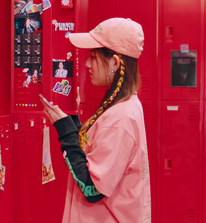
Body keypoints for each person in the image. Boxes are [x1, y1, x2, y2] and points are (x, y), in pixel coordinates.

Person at [40, 18, 151, 223]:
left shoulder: (120, 118)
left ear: (115, 63)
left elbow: (92, 189)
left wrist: (65, 132)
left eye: (93, 56)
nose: (88, 64)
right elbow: (97, 154)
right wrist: (72, 121)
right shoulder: (125, 105)